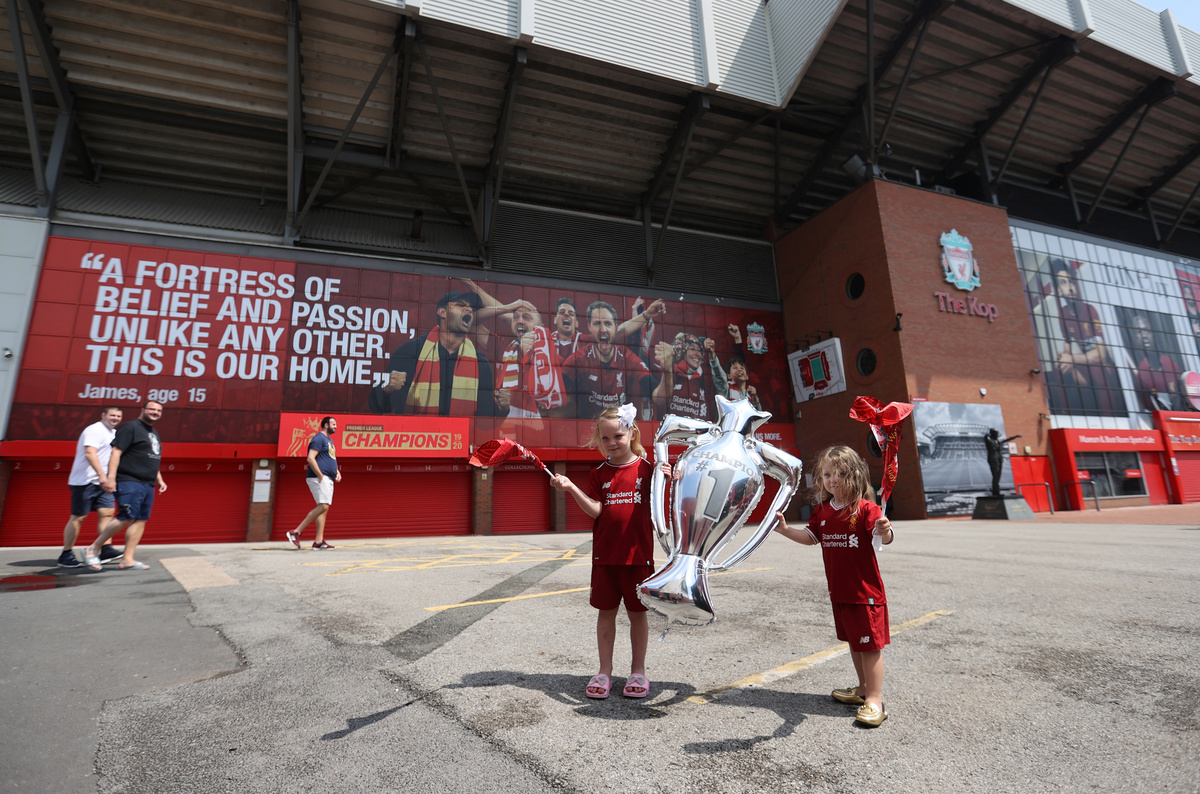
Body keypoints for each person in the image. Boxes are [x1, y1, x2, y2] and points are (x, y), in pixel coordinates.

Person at [550, 404, 667, 700]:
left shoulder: (648, 469)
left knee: (638, 615)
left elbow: (665, 504)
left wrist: (671, 477)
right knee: (606, 614)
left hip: (638, 557)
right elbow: (596, 510)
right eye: (605, 438)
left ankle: (638, 672)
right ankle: (604, 672)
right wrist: (571, 487)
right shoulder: (598, 474)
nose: (612, 442)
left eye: (618, 436)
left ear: (632, 433)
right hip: (605, 557)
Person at [772, 445, 894, 727]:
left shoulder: (867, 509)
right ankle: (862, 689)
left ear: (855, 476)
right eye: (827, 474)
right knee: (855, 642)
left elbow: (882, 537)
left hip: (865, 595)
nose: (833, 479)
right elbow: (811, 537)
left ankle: (875, 700)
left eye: (840, 473)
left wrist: (885, 530)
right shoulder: (823, 511)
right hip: (840, 593)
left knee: (870, 646)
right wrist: (786, 530)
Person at [368, 291, 496, 416]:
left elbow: (485, 420)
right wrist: (386, 389)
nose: (469, 309)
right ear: (442, 312)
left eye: (472, 308)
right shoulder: (409, 352)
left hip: (460, 431)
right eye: (461, 304)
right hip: (416, 430)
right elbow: (378, 408)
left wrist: (500, 409)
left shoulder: (480, 363)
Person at [84, 401, 167, 571]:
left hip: (147, 482)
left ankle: (127, 559)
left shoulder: (153, 432)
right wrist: (111, 478)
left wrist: (159, 479)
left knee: (140, 519)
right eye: (151, 409)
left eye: (158, 410)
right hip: (129, 479)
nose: (155, 412)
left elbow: (151, 456)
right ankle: (93, 548)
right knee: (127, 516)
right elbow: (116, 452)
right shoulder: (130, 427)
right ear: (143, 410)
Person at [558, 300, 672, 419]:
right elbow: (555, 393)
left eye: (608, 323)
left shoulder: (627, 358)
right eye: (597, 323)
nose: (603, 329)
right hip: (589, 427)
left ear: (615, 328)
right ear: (589, 327)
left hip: (618, 427)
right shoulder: (579, 358)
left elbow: (661, 400)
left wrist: (668, 371)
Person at [1046, 259, 1122, 415]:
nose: (1070, 287)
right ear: (1059, 290)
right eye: (1063, 283)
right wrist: (1064, 359)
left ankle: (1109, 417)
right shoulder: (1063, 314)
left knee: (1097, 370)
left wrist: (1072, 359)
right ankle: (1064, 415)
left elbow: (1100, 355)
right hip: (1085, 364)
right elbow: (1067, 344)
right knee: (1060, 369)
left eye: (1071, 281)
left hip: (1103, 366)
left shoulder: (1090, 310)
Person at [59, 406, 125, 568]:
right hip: (85, 481)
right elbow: (90, 453)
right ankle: (66, 554)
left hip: (103, 483)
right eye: (112, 415)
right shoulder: (94, 429)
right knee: (79, 517)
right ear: (103, 415)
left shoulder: (114, 433)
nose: (115, 418)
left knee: (107, 513)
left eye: (118, 416)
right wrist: (102, 475)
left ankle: (106, 549)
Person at [287, 416, 341, 550]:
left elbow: (329, 458)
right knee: (323, 506)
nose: (336, 426)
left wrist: (336, 471)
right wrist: (320, 475)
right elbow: (311, 458)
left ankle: (318, 541)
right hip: (319, 478)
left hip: (327, 477)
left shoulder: (329, 441)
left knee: (324, 508)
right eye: (333, 424)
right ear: (326, 425)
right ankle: (296, 532)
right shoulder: (318, 438)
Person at [658, 333, 725, 420]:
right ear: (682, 352)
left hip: (701, 428)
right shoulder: (670, 373)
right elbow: (659, 403)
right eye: (692, 349)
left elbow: (723, 387)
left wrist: (712, 354)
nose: (697, 354)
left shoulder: (706, 379)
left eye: (700, 351)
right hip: (673, 427)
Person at [1128, 312, 1183, 411]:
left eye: (1146, 330)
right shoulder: (1141, 374)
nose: (1144, 336)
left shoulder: (1171, 365)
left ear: (1153, 334)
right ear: (1136, 339)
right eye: (1139, 332)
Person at [984, 428, 1021, 497]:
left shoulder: (999, 441)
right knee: (995, 475)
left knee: (998, 475)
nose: (997, 434)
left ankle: (996, 490)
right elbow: (986, 437)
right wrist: (988, 434)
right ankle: (995, 491)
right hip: (993, 459)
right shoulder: (989, 441)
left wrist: (1016, 436)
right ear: (992, 434)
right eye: (996, 433)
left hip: (999, 458)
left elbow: (1007, 439)